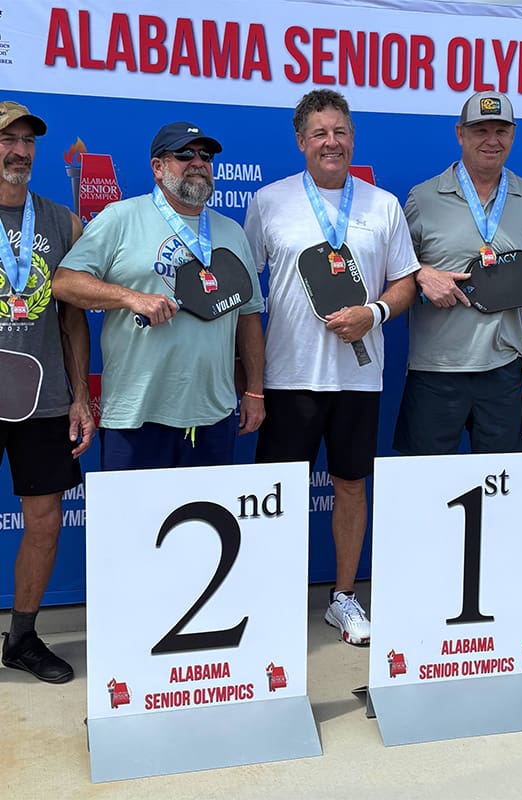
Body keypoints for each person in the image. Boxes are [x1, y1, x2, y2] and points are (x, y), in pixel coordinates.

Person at [244, 89, 419, 646]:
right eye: (319, 133)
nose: (331, 142)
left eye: (340, 131)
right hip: (287, 377)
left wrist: (376, 312)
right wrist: (250, 383)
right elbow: (248, 294)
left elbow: (406, 282)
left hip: (358, 379)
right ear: (301, 142)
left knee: (350, 486)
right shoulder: (269, 202)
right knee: (276, 491)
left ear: (352, 138)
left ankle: (342, 598)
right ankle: (269, 595)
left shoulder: (382, 204)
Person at [52, 122, 264, 470]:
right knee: (132, 524)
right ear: (157, 167)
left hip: (213, 415)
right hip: (137, 415)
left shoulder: (232, 231)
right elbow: (63, 282)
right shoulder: (121, 217)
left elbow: (249, 316)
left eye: (205, 156)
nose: (197, 162)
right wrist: (130, 298)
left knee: (205, 523)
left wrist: (254, 390)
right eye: (184, 154)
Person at [392, 91, 522, 457]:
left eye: (501, 130)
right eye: (480, 130)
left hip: (503, 366)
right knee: (426, 485)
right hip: (436, 368)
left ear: (513, 136)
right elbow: (396, 272)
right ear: (459, 134)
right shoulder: (424, 197)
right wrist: (422, 274)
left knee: (503, 486)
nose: (491, 140)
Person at [0, 100, 94, 682]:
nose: (19, 151)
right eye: (7, 140)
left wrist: (81, 395)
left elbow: (74, 318)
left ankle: (24, 638)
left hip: (42, 398)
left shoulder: (60, 220)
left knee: (45, 519)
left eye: (27, 142)